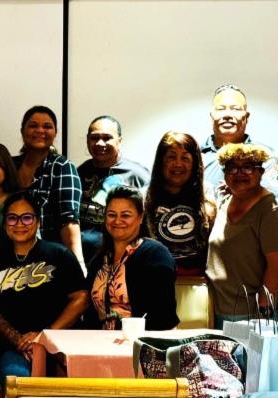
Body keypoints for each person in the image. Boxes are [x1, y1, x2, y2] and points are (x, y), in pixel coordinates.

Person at [0, 191, 88, 377]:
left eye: (27, 218)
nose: (20, 224)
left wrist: (44, 336)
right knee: (16, 380)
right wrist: (18, 339)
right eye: (12, 218)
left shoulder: (59, 255)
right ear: (5, 223)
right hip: (17, 348)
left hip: (58, 344)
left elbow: (80, 299)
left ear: (38, 221)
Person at [206, 143, 278, 327]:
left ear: (260, 172)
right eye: (232, 168)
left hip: (255, 315)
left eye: (247, 167)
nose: (239, 173)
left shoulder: (271, 209)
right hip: (223, 311)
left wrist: (264, 315)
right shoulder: (225, 202)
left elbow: (277, 265)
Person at [87, 187, 179, 331]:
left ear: (140, 217)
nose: (117, 221)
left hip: (143, 343)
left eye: (125, 215)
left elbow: (164, 317)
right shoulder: (99, 259)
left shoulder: (155, 255)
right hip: (100, 343)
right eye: (112, 214)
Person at [13, 106, 84, 268]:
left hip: (49, 260)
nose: (40, 130)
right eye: (33, 125)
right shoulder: (10, 165)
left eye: (47, 126)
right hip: (12, 258)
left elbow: (69, 221)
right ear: (22, 131)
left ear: (55, 133)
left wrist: (78, 265)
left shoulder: (61, 166)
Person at [77, 115, 150, 263]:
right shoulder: (79, 172)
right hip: (84, 261)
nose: (99, 143)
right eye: (94, 137)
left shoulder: (137, 175)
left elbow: (148, 223)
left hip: (122, 261)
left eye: (107, 138)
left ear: (119, 141)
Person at [144, 132, 217, 276]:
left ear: (195, 163)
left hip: (198, 283)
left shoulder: (206, 193)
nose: (178, 164)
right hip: (155, 281)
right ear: (161, 161)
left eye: (185, 158)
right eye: (171, 156)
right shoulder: (145, 196)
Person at [201, 85, 278, 201]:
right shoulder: (194, 156)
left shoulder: (266, 156)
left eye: (235, 109)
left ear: (247, 117)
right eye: (221, 109)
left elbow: (272, 198)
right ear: (212, 116)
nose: (227, 115)